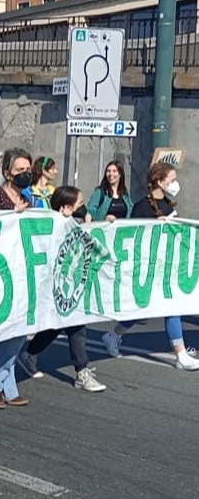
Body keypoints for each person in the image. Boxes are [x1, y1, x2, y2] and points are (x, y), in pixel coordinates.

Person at [100, 162, 199, 370]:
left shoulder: (168, 204)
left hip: (166, 266)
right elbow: (135, 237)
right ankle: (179, 354)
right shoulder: (142, 206)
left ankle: (114, 335)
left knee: (170, 306)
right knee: (154, 308)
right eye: (172, 180)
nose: (175, 184)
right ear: (160, 182)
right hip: (147, 267)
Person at [16, 186, 107, 392]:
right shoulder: (52, 225)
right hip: (52, 283)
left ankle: (30, 354)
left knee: (58, 324)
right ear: (66, 208)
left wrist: (106, 225)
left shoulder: (73, 224)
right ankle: (81, 371)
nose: (83, 207)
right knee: (73, 324)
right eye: (79, 203)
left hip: (67, 282)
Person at [0, 147, 32, 409]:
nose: (25, 174)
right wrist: (12, 215)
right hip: (0, 273)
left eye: (27, 170)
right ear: (7, 173)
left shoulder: (28, 199)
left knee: (19, 330)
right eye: (19, 170)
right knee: (10, 331)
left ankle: (7, 385)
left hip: (22, 272)